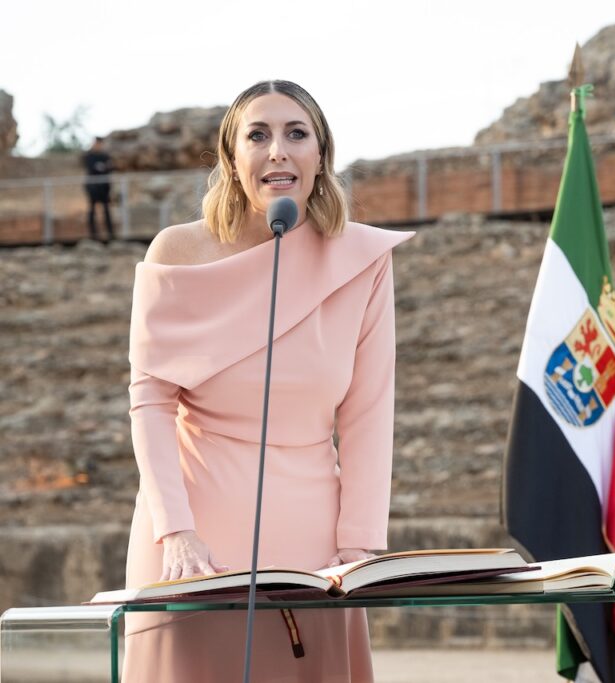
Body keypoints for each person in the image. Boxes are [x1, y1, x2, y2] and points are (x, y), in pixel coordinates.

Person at [122, 80, 412, 681]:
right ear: (232, 159)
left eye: (296, 133)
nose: (278, 149)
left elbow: (368, 410)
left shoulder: (363, 261)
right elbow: (150, 401)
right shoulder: (176, 252)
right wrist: (176, 531)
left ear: (320, 156)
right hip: (191, 535)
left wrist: (357, 546)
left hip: (314, 538)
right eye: (258, 135)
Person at [82, 136, 115, 241]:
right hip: (93, 188)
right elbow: (92, 168)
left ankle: (110, 233)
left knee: (106, 209)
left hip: (104, 188)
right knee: (92, 210)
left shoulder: (105, 156)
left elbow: (109, 168)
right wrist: (101, 167)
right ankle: (93, 234)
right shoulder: (89, 156)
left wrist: (102, 167)